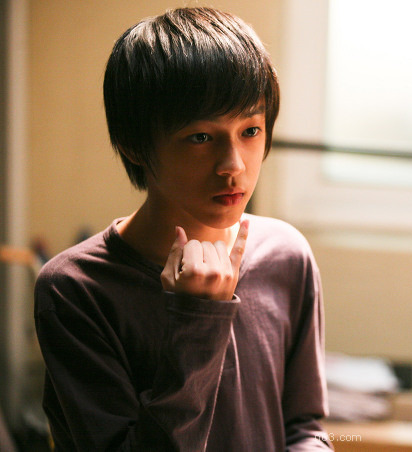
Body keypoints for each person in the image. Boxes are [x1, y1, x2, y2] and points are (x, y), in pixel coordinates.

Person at [33, 7, 332, 451]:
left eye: (250, 130)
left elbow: (304, 427)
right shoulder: (75, 288)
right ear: (134, 144)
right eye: (201, 137)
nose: (233, 165)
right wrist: (197, 322)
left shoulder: (285, 255)